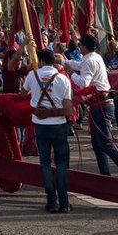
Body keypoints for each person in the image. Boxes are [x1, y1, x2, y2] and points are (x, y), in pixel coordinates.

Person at [66, 34, 118, 180]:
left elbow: (83, 82)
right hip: (98, 103)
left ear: (84, 47)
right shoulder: (95, 57)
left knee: (105, 142)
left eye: (80, 46)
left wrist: (71, 72)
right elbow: (79, 64)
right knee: (97, 143)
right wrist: (65, 62)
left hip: (101, 104)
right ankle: (105, 174)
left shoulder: (90, 60)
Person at [23, 48, 73, 214]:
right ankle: (64, 202)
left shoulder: (33, 75)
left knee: (44, 162)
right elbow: (68, 109)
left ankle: (51, 200)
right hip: (58, 124)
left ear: (41, 61)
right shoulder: (63, 79)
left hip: (40, 124)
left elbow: (23, 93)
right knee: (60, 163)